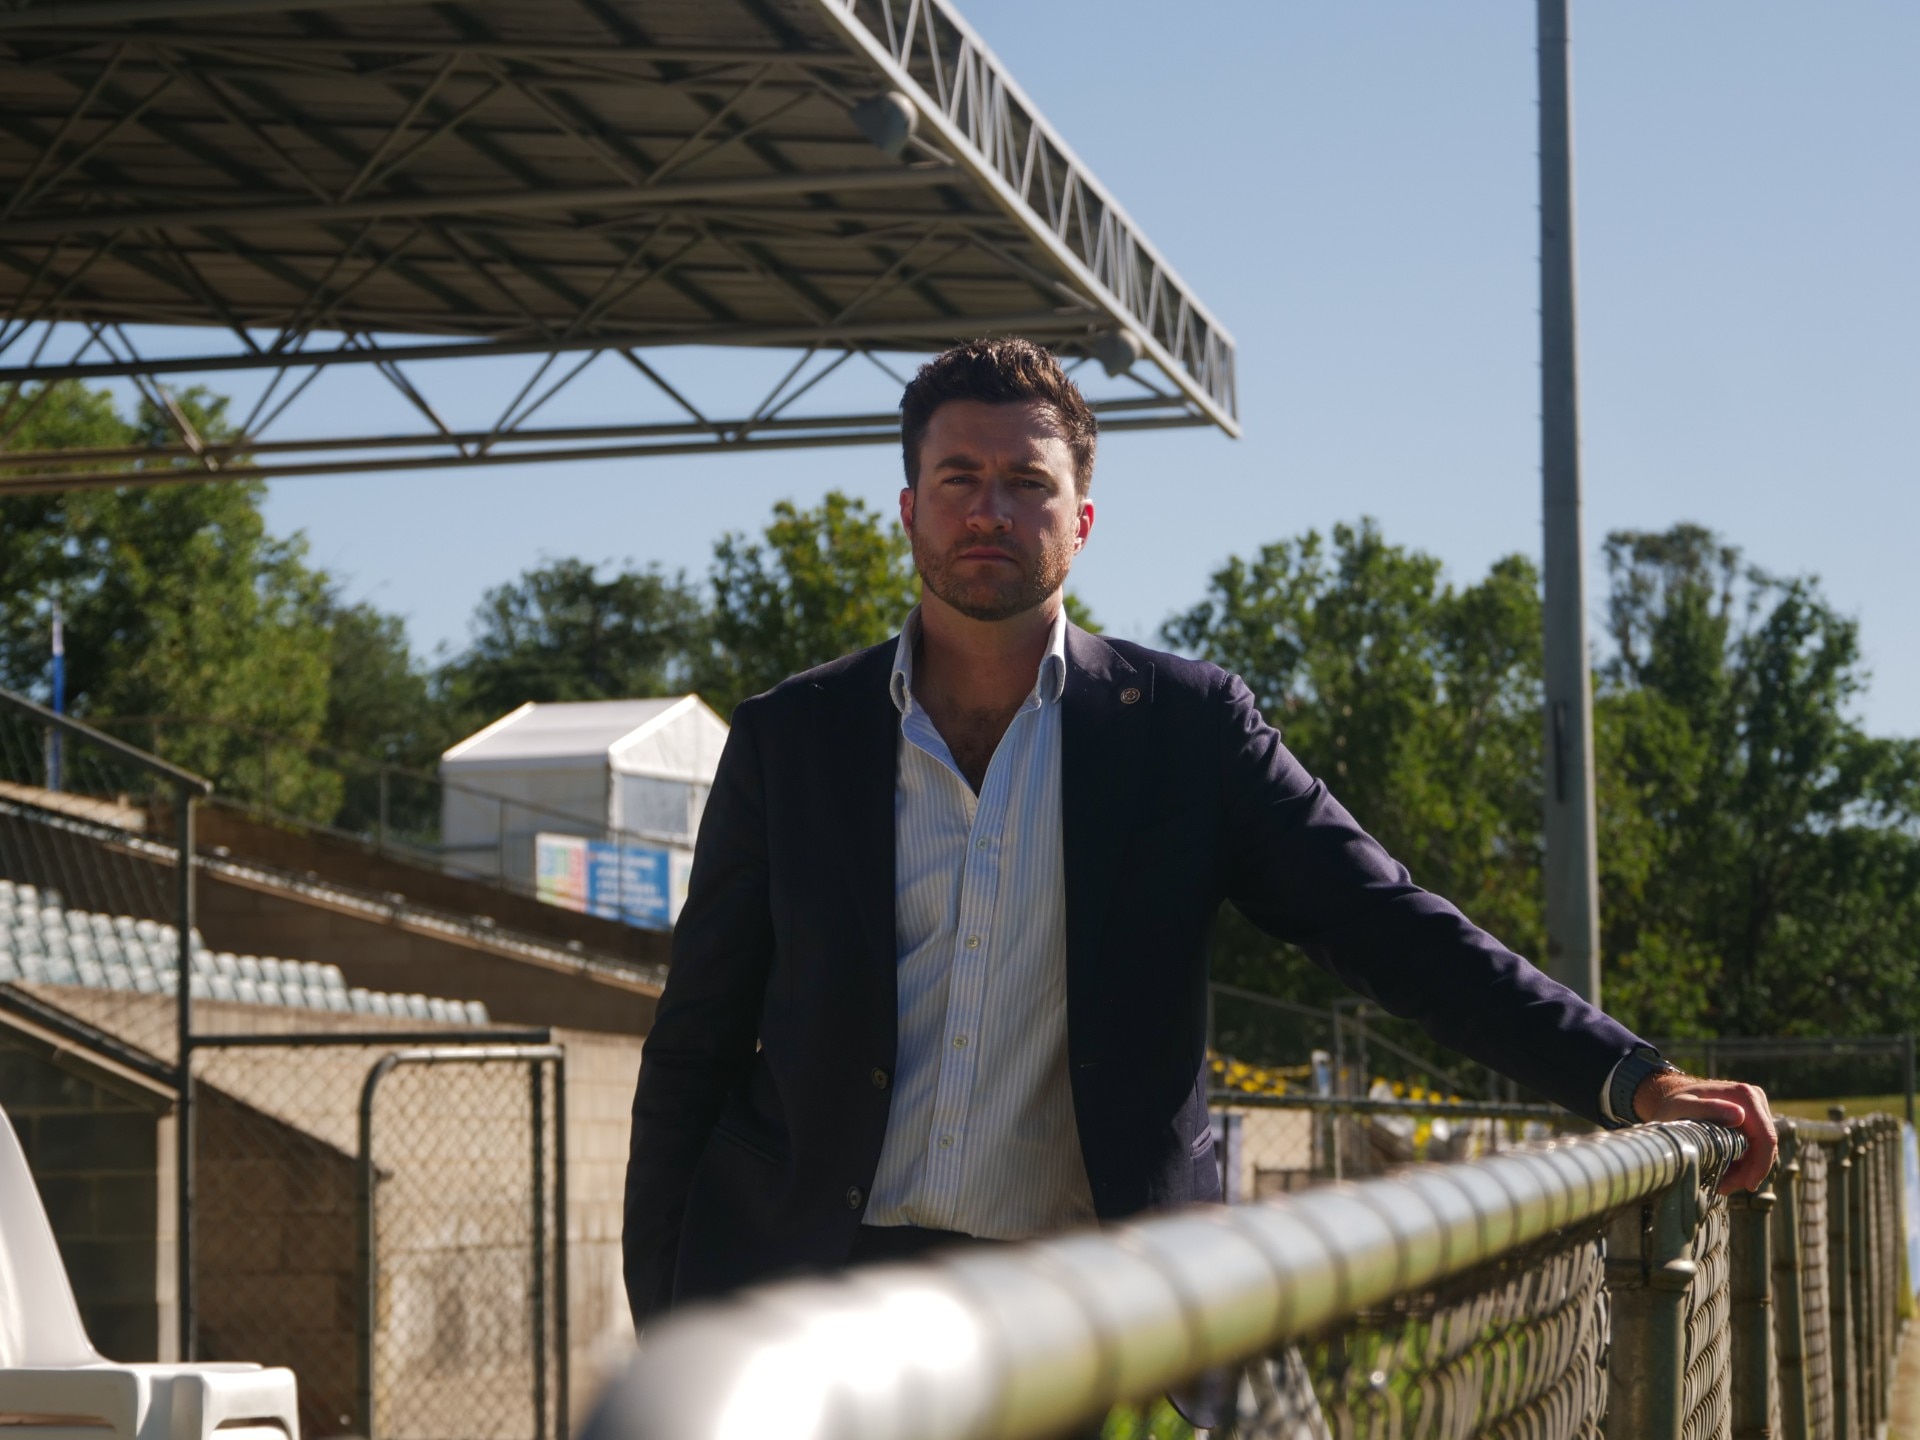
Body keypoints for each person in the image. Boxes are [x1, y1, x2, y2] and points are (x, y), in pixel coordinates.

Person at [622, 337, 1775, 1331]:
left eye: (1025, 482)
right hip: (810, 1301)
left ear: (1080, 522)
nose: (988, 508)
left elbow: (1385, 923)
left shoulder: (1183, 731)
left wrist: (1630, 1077)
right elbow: (695, 1048)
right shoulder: (794, 738)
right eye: (958, 476)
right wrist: (667, 1319)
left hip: (1084, 1306)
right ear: (909, 507)